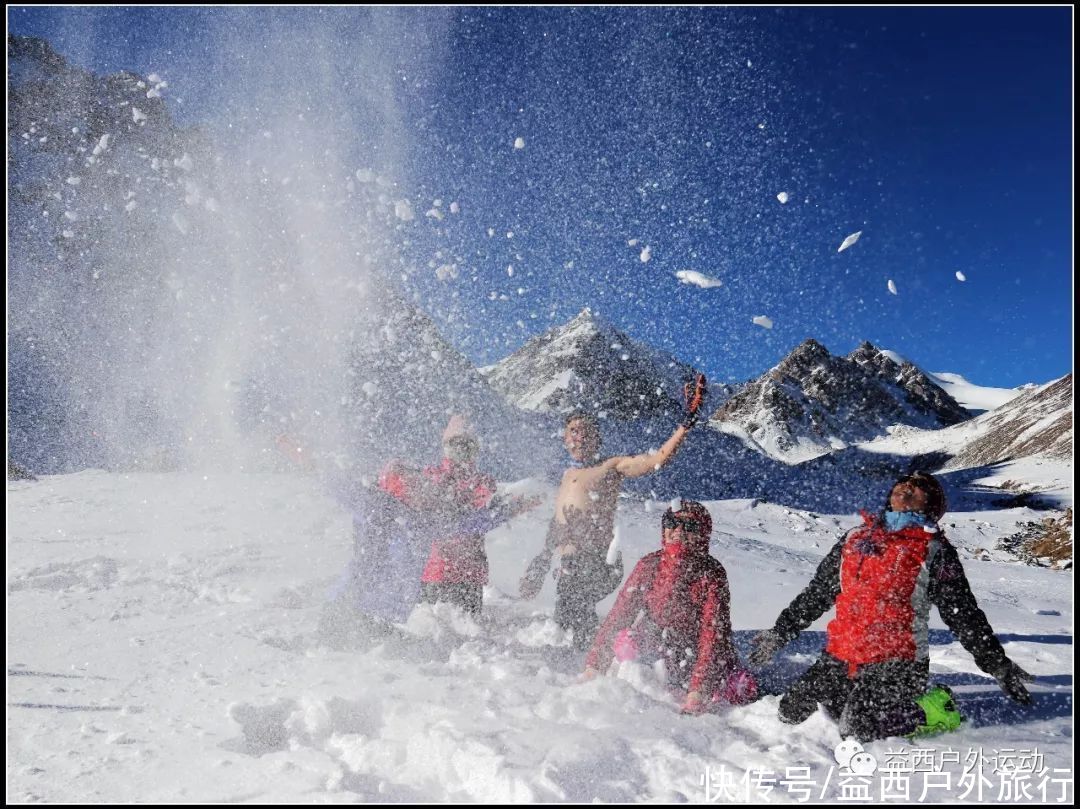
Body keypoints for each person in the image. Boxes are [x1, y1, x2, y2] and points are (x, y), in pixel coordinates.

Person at [748, 471, 1035, 741]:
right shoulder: (855, 539)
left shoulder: (935, 550)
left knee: (856, 728)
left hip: (898, 663)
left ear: (932, 505)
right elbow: (818, 593)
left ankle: (936, 708)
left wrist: (996, 663)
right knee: (790, 711)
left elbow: (962, 613)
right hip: (841, 656)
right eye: (905, 481)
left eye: (921, 486)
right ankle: (857, 696)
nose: (909, 485)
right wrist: (780, 633)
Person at [519, 373, 708, 648]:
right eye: (572, 431)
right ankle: (586, 666)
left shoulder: (610, 467)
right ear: (564, 439)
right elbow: (558, 523)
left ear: (597, 437)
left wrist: (685, 426)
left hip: (596, 561)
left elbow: (656, 461)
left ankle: (590, 668)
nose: (578, 437)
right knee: (568, 618)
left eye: (585, 431)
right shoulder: (568, 475)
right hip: (569, 565)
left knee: (573, 619)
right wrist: (542, 560)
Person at [582, 501, 756, 714]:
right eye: (671, 522)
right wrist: (594, 666)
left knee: (735, 688)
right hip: (655, 643)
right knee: (627, 644)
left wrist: (697, 692)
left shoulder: (711, 573)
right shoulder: (650, 565)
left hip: (695, 648)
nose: (678, 530)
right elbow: (620, 615)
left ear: (702, 534)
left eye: (690, 526)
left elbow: (712, 632)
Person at [417, 417, 538, 615]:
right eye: (455, 444)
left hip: (469, 574)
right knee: (437, 630)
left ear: (475, 449)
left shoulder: (483, 482)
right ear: (445, 446)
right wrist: (506, 510)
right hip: (437, 571)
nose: (461, 450)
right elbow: (458, 521)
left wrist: (510, 507)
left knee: (466, 632)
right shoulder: (434, 476)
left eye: (467, 444)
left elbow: (481, 518)